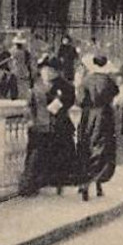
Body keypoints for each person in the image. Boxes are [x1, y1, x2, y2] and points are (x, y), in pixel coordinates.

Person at [21, 57, 77, 196]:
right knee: (35, 156)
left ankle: (56, 182)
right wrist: (29, 119)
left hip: (58, 126)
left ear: (57, 72)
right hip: (38, 126)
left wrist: (57, 105)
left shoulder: (65, 86)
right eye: (44, 69)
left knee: (59, 156)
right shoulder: (37, 85)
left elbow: (68, 102)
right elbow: (29, 104)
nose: (46, 72)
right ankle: (30, 185)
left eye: (50, 70)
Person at [75, 52, 119, 200]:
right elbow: (115, 94)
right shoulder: (109, 81)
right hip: (105, 116)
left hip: (88, 117)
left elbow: (80, 101)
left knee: (86, 146)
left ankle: (85, 184)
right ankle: (98, 185)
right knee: (102, 149)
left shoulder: (86, 80)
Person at [8, 33, 38, 100]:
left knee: (15, 82)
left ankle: (15, 95)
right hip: (22, 69)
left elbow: (11, 61)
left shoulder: (15, 52)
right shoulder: (25, 52)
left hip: (17, 69)